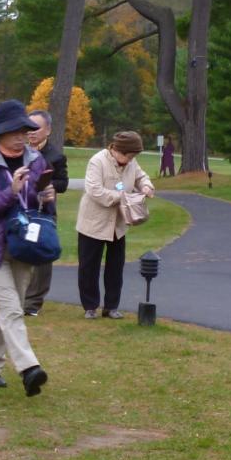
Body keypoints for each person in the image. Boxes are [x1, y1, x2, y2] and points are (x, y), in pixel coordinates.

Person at [0, 100, 56, 396]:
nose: (22, 136)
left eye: (24, 131)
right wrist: (10, 192)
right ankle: (29, 368)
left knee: (10, 311)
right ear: (0, 134)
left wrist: (46, 197)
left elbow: (38, 204)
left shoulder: (37, 161)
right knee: (11, 310)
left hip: (24, 246)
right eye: (15, 131)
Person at [76, 130, 155, 320]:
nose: (131, 160)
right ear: (118, 150)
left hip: (118, 225)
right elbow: (94, 191)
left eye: (134, 157)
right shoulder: (97, 161)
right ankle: (90, 307)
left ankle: (111, 307)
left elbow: (141, 176)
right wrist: (122, 197)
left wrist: (146, 186)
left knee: (116, 267)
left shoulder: (131, 162)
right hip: (93, 223)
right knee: (89, 267)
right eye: (129, 156)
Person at [22, 109, 69, 317]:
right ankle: (17, 297)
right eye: (28, 128)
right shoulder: (18, 152)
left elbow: (63, 183)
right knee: (18, 253)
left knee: (42, 256)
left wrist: (49, 185)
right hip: (20, 210)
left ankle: (32, 303)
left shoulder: (55, 156)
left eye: (36, 128)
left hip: (44, 212)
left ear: (48, 130)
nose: (31, 132)